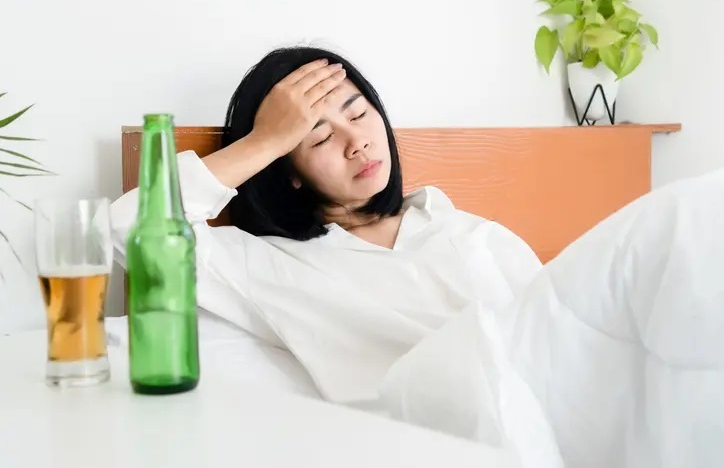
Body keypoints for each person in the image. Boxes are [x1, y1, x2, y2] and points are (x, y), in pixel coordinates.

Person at [111, 46, 724, 468]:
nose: (356, 141)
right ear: (287, 170)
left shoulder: (473, 233)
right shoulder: (267, 263)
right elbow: (130, 227)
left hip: (556, 404)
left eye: (358, 112)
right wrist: (266, 139)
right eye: (318, 137)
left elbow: (563, 333)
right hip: (445, 412)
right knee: (687, 216)